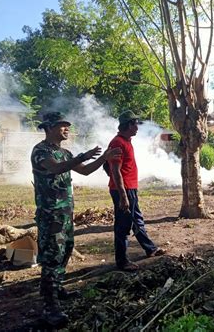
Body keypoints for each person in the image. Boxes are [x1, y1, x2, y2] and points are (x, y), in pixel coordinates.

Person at [31, 112, 121, 327]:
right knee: (52, 256)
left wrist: (103, 158)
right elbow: (56, 168)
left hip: (65, 212)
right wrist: (81, 156)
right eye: (62, 126)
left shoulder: (65, 152)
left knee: (65, 250)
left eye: (67, 126)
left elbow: (87, 171)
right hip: (50, 213)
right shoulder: (41, 151)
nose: (67, 129)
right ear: (49, 128)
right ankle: (49, 306)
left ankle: (58, 288)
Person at [107, 110, 166, 272]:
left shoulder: (127, 141)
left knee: (137, 220)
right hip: (123, 190)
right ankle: (122, 261)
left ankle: (150, 248)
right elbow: (115, 170)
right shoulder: (117, 143)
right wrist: (123, 196)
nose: (137, 127)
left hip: (130, 188)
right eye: (135, 124)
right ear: (128, 125)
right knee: (123, 225)